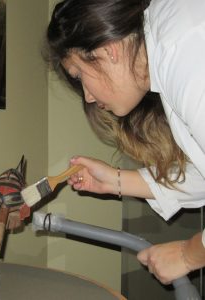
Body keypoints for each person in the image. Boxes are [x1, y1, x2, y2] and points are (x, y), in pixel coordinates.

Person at [45, 0, 205, 285]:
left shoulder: (185, 53)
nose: (89, 97)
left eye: (79, 75)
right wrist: (116, 181)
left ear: (108, 50)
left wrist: (187, 255)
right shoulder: (168, 44)